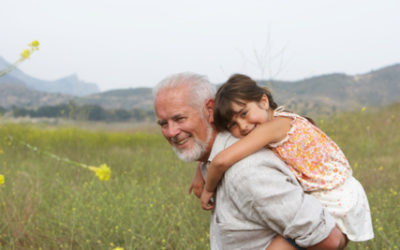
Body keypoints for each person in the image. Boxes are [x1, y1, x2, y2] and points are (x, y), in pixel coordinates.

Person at [153, 72, 346, 249]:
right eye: (163, 124)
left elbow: (329, 239)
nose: (171, 132)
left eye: (179, 119)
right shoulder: (213, 159)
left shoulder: (246, 171)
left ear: (210, 110)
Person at [201, 73, 374, 246]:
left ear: (263, 101)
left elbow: (221, 160)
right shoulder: (280, 118)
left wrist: (208, 189)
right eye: (233, 125)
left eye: (244, 113)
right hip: (338, 191)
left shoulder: (272, 128)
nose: (243, 126)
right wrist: (198, 169)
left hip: (334, 196)